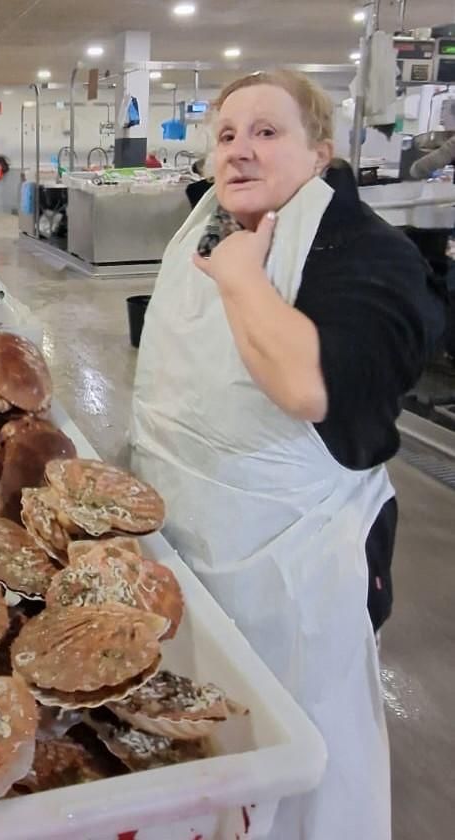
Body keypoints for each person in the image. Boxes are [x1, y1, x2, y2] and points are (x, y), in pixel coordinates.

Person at [130, 70, 445, 840]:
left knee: (300, 751)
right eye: (228, 134)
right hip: (188, 547)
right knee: (202, 738)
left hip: (295, 571)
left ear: (321, 153)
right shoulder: (206, 228)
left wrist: (241, 281)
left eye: (267, 133)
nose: (239, 151)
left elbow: (308, 387)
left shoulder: (370, 254)